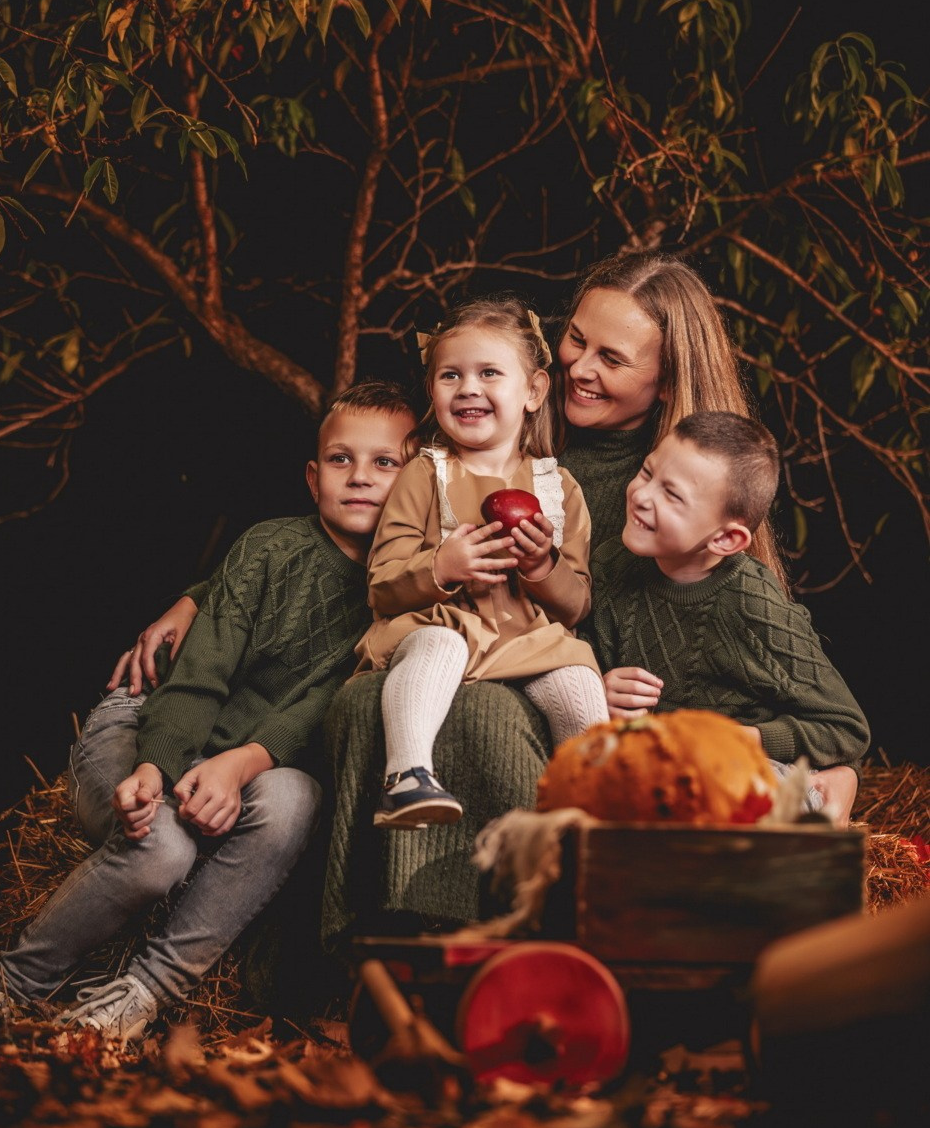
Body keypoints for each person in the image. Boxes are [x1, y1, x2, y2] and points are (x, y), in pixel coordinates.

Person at [320, 252, 834, 952]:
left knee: (493, 710)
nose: (579, 368)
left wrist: (686, 725)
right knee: (396, 695)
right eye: (576, 341)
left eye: (611, 359)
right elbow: (364, 523)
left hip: (601, 703)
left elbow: (817, 724)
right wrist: (212, 595)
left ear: (664, 383)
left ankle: (530, 930)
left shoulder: (680, 489)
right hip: (469, 645)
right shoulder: (504, 439)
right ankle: (396, 936)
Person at [0, 382, 417, 1042]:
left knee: (296, 797)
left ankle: (138, 998)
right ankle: (10, 984)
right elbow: (199, 677)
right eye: (342, 460)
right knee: (159, 850)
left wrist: (237, 767)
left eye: (386, 462)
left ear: (419, 477)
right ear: (313, 479)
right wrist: (153, 767)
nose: (361, 478)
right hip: (148, 726)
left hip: (241, 766)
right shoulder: (268, 548)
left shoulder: (405, 593)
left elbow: (317, 708)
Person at [352, 297, 609, 829]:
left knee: (578, 673)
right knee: (440, 645)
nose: (468, 388)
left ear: (534, 390)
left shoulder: (557, 487)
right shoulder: (425, 474)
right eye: (451, 375)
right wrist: (442, 567)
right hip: (438, 625)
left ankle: (589, 807)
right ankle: (407, 778)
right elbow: (381, 585)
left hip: (524, 640)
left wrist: (542, 566)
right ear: (433, 390)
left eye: (489, 372)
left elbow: (576, 604)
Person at [591, 411, 870, 826]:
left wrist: (746, 739)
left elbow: (847, 728)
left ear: (725, 538)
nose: (642, 495)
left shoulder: (751, 603)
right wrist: (601, 689)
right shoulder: (611, 564)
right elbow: (588, 661)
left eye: (672, 494)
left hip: (752, 771)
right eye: (647, 472)